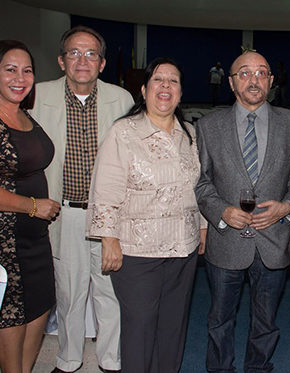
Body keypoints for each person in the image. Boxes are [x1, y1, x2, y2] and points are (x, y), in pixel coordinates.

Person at [87, 57, 207, 373]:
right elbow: (106, 188)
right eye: (158, 80)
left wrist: (204, 227)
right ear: (144, 90)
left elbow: (201, 185)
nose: (165, 86)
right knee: (139, 327)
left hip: (184, 247)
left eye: (173, 81)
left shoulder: (191, 135)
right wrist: (108, 238)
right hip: (137, 251)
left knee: (173, 325)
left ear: (181, 93)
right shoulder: (123, 132)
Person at [30, 26, 134, 373]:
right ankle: (69, 358)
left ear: (102, 64)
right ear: (61, 60)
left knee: (109, 292)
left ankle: (110, 359)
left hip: (109, 216)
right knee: (69, 292)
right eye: (74, 53)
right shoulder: (38, 97)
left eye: (91, 54)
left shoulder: (121, 99)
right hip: (63, 213)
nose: (82, 60)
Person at [195, 51, 290, 373]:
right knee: (219, 319)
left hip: (274, 240)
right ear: (231, 83)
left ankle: (258, 367)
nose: (253, 79)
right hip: (226, 240)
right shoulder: (207, 125)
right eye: (244, 73)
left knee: (266, 320)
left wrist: (287, 207)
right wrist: (221, 211)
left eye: (261, 73)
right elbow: (200, 182)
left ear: (271, 81)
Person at [0, 39, 61, 373]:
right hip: (5, 248)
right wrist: (32, 206)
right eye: (10, 69)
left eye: (27, 71)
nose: (19, 77)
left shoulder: (24, 115)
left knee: (38, 314)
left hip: (36, 243)